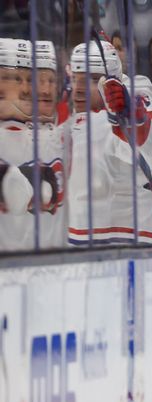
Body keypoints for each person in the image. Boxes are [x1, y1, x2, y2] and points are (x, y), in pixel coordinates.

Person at [67, 39, 152, 246]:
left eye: (92, 78)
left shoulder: (122, 115)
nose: (78, 89)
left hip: (132, 244)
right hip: (79, 250)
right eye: (74, 78)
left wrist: (132, 117)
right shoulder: (65, 122)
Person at [0, 39, 64, 252]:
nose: (26, 88)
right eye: (14, 79)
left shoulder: (54, 138)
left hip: (50, 269)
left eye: (29, 79)